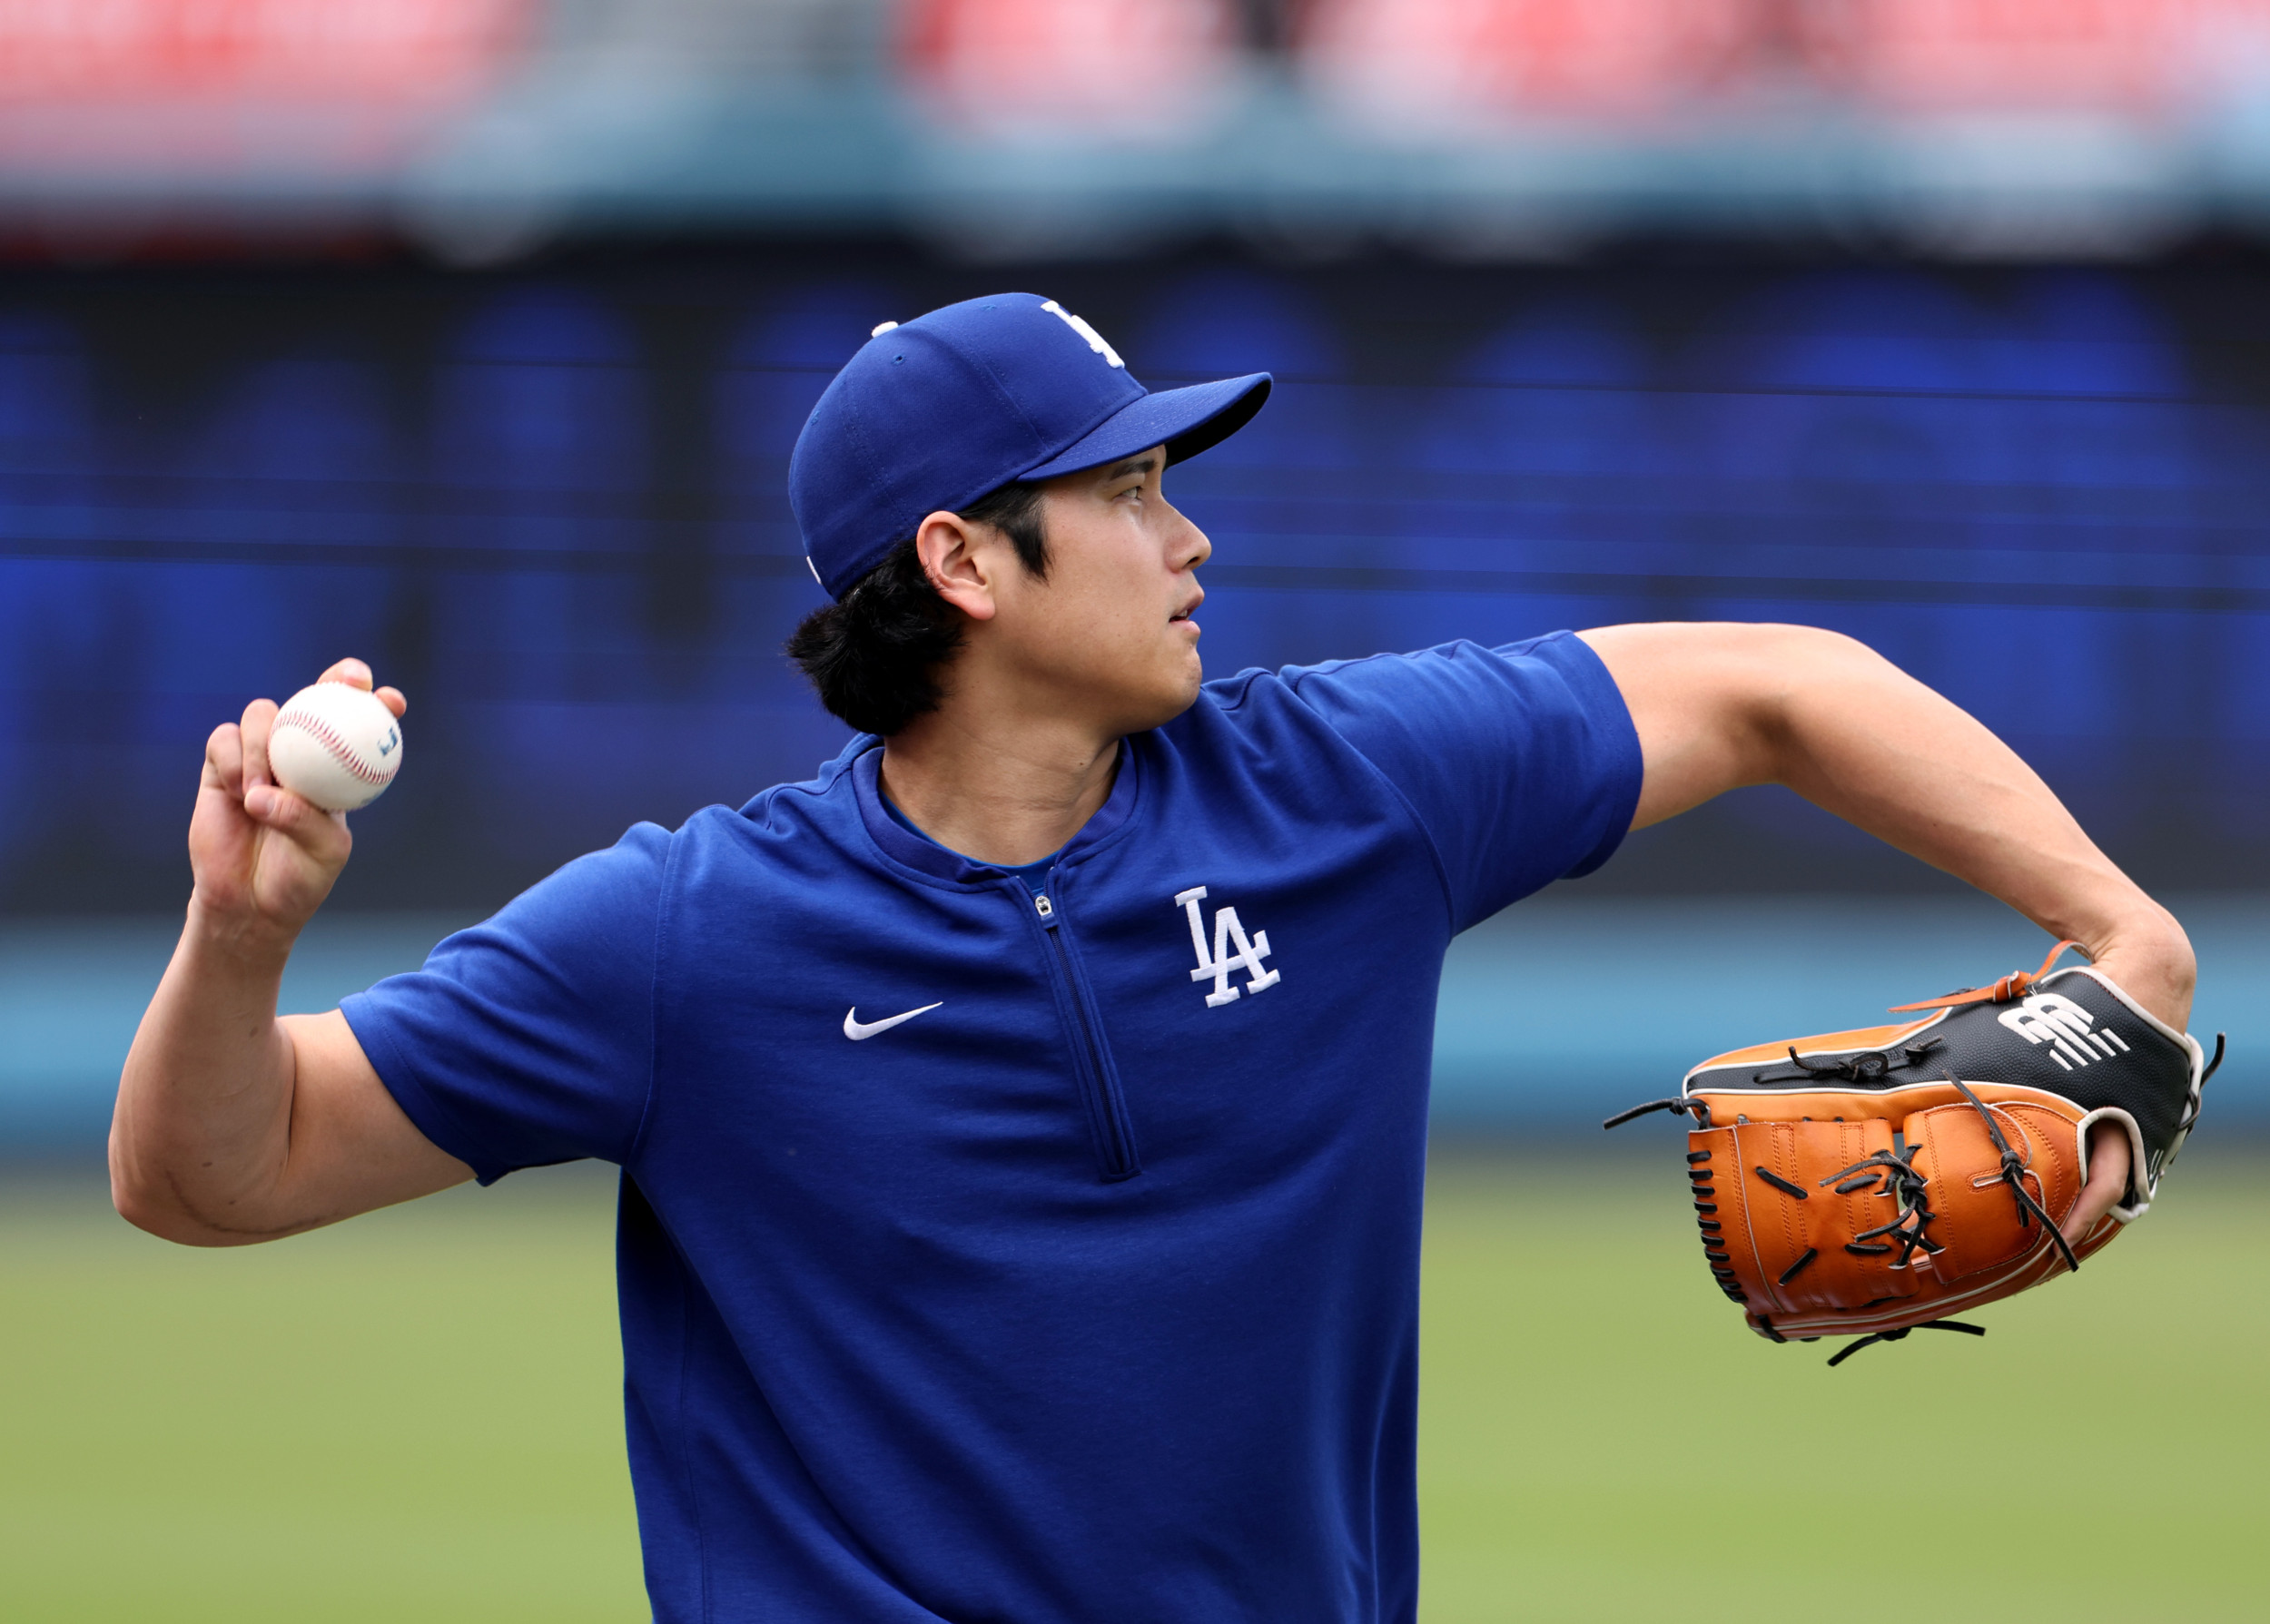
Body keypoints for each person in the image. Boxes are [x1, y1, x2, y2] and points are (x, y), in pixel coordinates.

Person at [114, 292, 2196, 1622]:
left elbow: (1778, 683)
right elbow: (211, 1172)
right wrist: (237, 936)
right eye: (1124, 486)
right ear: (963, 560)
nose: (1189, 532)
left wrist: (2113, 928)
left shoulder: (1343, 792)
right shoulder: (686, 935)